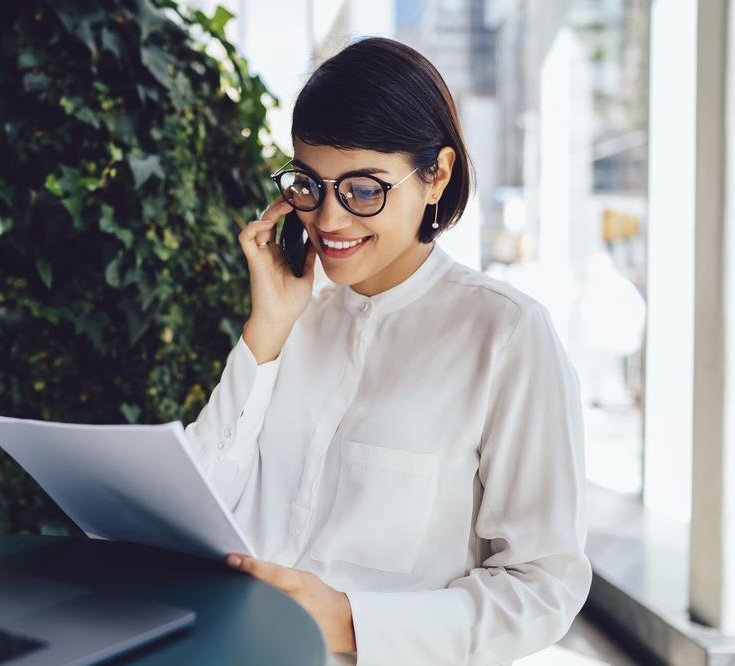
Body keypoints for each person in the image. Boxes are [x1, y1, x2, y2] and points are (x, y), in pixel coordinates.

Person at [184, 37, 591, 666]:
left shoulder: (505, 334)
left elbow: (544, 588)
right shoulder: (292, 311)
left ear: (437, 175)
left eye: (363, 190)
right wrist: (265, 330)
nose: (328, 221)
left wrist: (353, 623)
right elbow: (198, 508)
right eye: (308, 186)